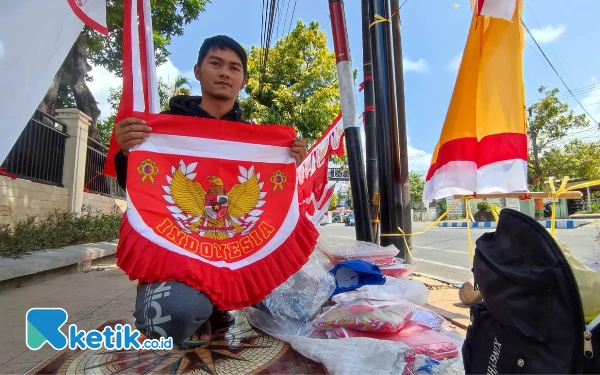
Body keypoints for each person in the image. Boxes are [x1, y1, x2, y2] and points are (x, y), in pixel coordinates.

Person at [112, 35, 307, 345]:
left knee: (300, 303)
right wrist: (127, 151)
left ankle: (218, 303)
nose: (225, 73)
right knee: (169, 318)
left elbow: (274, 202)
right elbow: (136, 189)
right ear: (198, 70)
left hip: (236, 249)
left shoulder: (257, 140)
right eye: (216, 63)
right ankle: (197, 305)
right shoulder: (160, 128)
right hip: (180, 252)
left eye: (234, 67)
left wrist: (289, 160)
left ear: (243, 80)